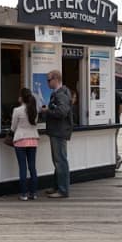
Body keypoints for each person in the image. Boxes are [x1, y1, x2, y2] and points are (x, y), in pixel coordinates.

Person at [42, 70, 73, 198]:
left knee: (60, 160)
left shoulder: (61, 95)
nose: (47, 83)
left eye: (49, 80)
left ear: (56, 79)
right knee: (58, 160)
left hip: (59, 131)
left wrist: (47, 111)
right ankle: (57, 187)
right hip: (58, 131)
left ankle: (63, 190)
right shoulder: (60, 93)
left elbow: (62, 112)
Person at [11, 88, 39, 201]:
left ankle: (23, 194)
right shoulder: (34, 109)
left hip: (21, 140)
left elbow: (13, 127)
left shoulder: (17, 110)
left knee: (23, 168)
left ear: (21, 97)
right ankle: (34, 193)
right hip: (33, 139)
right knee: (32, 167)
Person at [115, 91, 122, 169]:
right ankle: (117, 158)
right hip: (116, 122)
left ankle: (117, 158)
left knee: (113, 142)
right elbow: (120, 110)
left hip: (107, 122)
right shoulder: (118, 95)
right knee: (114, 141)